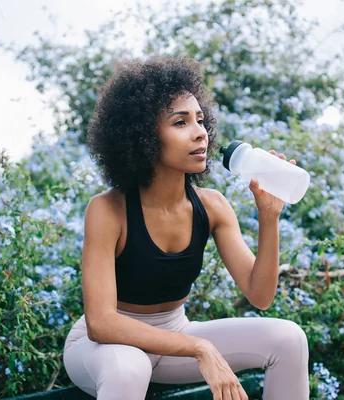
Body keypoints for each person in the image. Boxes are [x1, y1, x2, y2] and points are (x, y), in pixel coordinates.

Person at [63, 55, 309, 400]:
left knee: (289, 339)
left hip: (174, 333)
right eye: (180, 123)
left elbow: (260, 295)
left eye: (201, 121)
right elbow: (101, 323)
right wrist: (199, 348)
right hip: (105, 347)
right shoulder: (108, 209)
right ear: (144, 137)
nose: (200, 134)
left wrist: (269, 218)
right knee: (129, 368)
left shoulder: (212, 206)